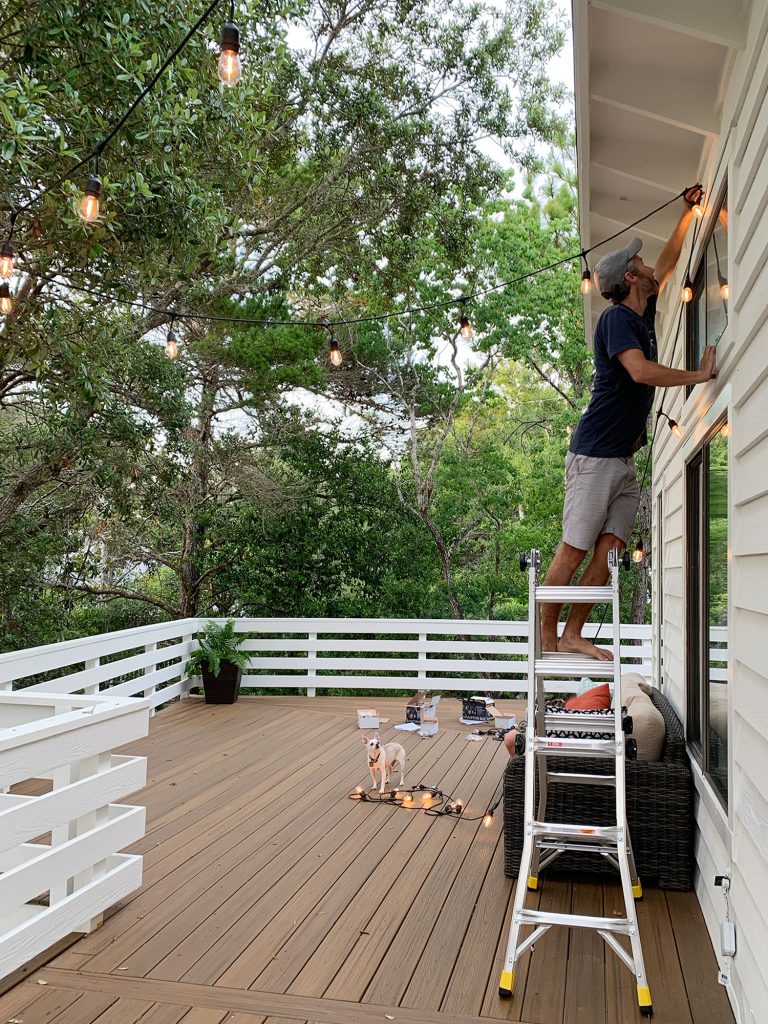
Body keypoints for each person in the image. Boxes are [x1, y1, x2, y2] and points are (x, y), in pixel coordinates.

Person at [541, 186, 718, 660]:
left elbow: (668, 261)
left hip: (621, 458)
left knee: (612, 547)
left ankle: (575, 633)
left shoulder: (643, 309)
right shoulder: (617, 318)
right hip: (596, 453)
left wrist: (687, 215)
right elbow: (639, 371)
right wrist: (698, 376)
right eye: (639, 266)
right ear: (629, 278)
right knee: (575, 547)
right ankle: (546, 637)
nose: (647, 268)